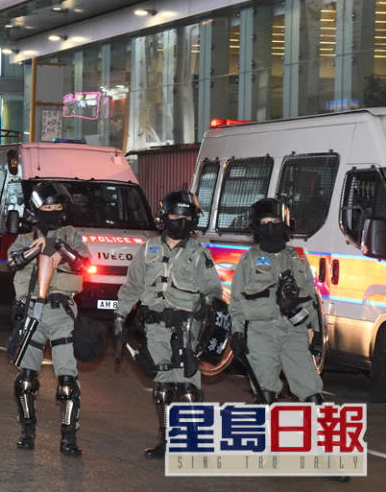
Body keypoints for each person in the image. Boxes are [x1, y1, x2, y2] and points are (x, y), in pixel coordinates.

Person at [113, 190, 222, 459]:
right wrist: (119, 317)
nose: (180, 221)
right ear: (165, 216)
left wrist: (203, 324)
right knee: (163, 389)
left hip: (186, 329)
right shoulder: (148, 249)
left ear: (194, 220)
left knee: (187, 388)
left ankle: (193, 442)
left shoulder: (199, 254)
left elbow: (213, 294)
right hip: (155, 329)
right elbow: (132, 287)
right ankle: (166, 440)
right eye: (175, 215)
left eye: (186, 216)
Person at [7, 181, 90, 456]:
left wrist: (58, 246)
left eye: (57, 208)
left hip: (61, 312)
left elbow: (82, 263)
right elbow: (13, 262)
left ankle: (69, 437)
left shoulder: (72, 235)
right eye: (48, 208)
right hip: (32, 312)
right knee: (26, 380)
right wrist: (36, 247)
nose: (53, 212)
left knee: (67, 380)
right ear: (35, 210)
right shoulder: (24, 239)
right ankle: (27, 431)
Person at [229, 198, 323, 404]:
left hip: (295, 333)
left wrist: (317, 333)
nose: (270, 226)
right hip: (261, 333)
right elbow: (236, 302)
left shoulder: (298, 258)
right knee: (265, 395)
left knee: (312, 394)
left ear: (285, 224)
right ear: (256, 226)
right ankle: (263, 435)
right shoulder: (248, 260)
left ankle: (317, 435)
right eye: (264, 222)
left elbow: (312, 298)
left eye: (275, 221)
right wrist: (237, 332)